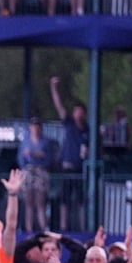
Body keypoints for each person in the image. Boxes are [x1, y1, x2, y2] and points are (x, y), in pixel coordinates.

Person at [49, 75, 88, 231]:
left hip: (80, 169)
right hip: (67, 167)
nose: (78, 115)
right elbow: (59, 106)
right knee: (65, 199)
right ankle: (64, 227)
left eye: (81, 112)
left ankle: (83, 227)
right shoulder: (69, 124)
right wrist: (54, 88)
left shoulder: (88, 130)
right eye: (76, 112)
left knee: (80, 200)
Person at [17, 119, 55, 234]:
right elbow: (20, 158)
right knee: (28, 202)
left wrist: (38, 154)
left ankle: (43, 229)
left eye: (37, 126)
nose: (35, 129)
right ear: (30, 128)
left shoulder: (46, 142)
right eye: (33, 126)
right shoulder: (25, 141)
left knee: (40, 202)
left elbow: (50, 158)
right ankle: (29, 230)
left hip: (41, 171)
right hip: (28, 171)